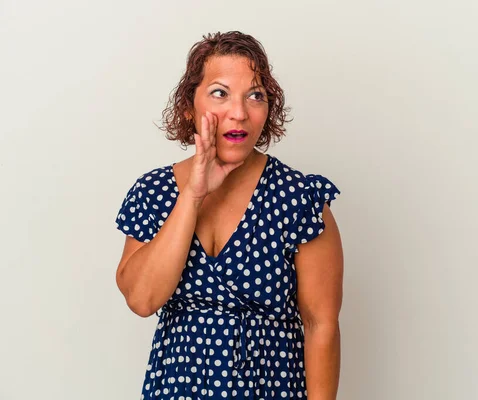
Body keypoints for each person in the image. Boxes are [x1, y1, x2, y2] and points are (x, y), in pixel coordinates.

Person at [114, 31, 344, 399]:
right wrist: (192, 194)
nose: (239, 112)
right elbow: (142, 300)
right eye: (220, 93)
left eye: (255, 96)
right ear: (189, 105)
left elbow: (321, 326)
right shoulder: (154, 193)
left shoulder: (299, 199)